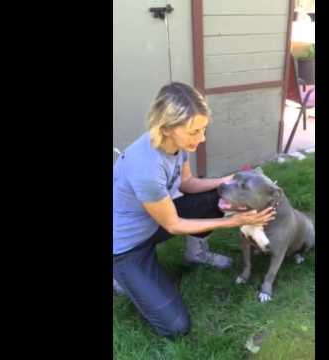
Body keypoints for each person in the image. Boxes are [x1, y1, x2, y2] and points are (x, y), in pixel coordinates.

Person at [113, 82, 276, 339]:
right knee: (176, 327)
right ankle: (123, 276)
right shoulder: (146, 167)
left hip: (154, 219)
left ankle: (196, 254)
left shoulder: (176, 146)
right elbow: (174, 225)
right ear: (166, 128)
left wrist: (226, 181)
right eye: (194, 132)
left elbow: (188, 184)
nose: (201, 138)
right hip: (127, 245)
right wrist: (234, 222)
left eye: (202, 129)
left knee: (216, 196)